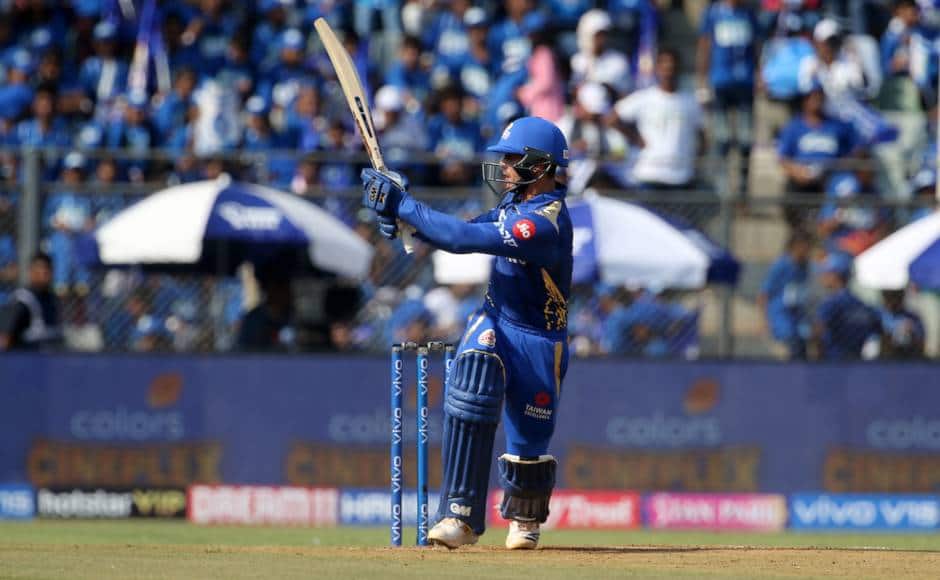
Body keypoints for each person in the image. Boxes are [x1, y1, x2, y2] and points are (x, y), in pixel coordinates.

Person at [361, 116, 573, 550]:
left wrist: (403, 205)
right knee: (472, 384)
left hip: (540, 338)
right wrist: (408, 221)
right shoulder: (512, 204)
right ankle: (460, 513)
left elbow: (462, 238)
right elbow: (460, 230)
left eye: (515, 158)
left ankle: (525, 515)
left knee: (529, 439)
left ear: (543, 164)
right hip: (496, 320)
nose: (506, 167)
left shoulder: (544, 222)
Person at [758, 230, 813, 359]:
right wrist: (763, 321)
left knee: (804, 346)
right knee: (792, 346)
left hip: (798, 317)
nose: (807, 250)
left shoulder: (804, 266)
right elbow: (764, 293)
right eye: (805, 246)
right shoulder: (781, 265)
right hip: (781, 317)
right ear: (796, 246)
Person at [0, 253, 61, 351]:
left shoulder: (51, 299)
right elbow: (4, 338)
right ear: (31, 271)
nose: (45, 272)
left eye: (48, 268)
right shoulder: (23, 300)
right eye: (40, 268)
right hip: (26, 361)